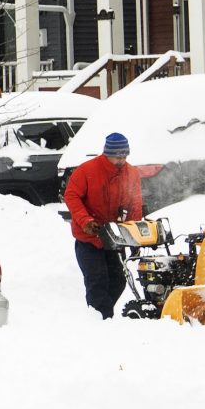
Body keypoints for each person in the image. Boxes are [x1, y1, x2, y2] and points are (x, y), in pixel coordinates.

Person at [65, 132, 156, 318]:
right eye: (117, 157)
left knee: (118, 280)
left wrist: (135, 237)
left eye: (124, 156)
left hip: (115, 238)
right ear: (107, 154)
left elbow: (134, 204)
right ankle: (101, 319)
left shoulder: (131, 173)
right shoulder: (87, 171)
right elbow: (71, 195)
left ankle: (102, 315)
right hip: (89, 238)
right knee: (97, 280)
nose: (121, 160)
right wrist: (85, 221)